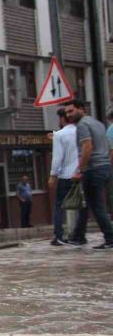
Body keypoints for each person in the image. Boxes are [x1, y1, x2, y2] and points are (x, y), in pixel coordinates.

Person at [61, 100, 113, 250]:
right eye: (67, 113)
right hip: (104, 168)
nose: (69, 115)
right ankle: (78, 236)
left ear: (81, 109)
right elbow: (107, 147)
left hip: (93, 169)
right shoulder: (98, 124)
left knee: (96, 205)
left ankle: (110, 237)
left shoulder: (83, 125)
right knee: (87, 204)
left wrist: (80, 170)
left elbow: (87, 147)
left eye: (71, 111)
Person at [49, 108, 78, 245]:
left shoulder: (60, 135)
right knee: (81, 205)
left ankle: (59, 236)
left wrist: (53, 175)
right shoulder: (80, 131)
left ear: (61, 119)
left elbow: (57, 157)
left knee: (59, 205)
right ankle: (78, 234)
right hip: (80, 173)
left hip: (66, 175)